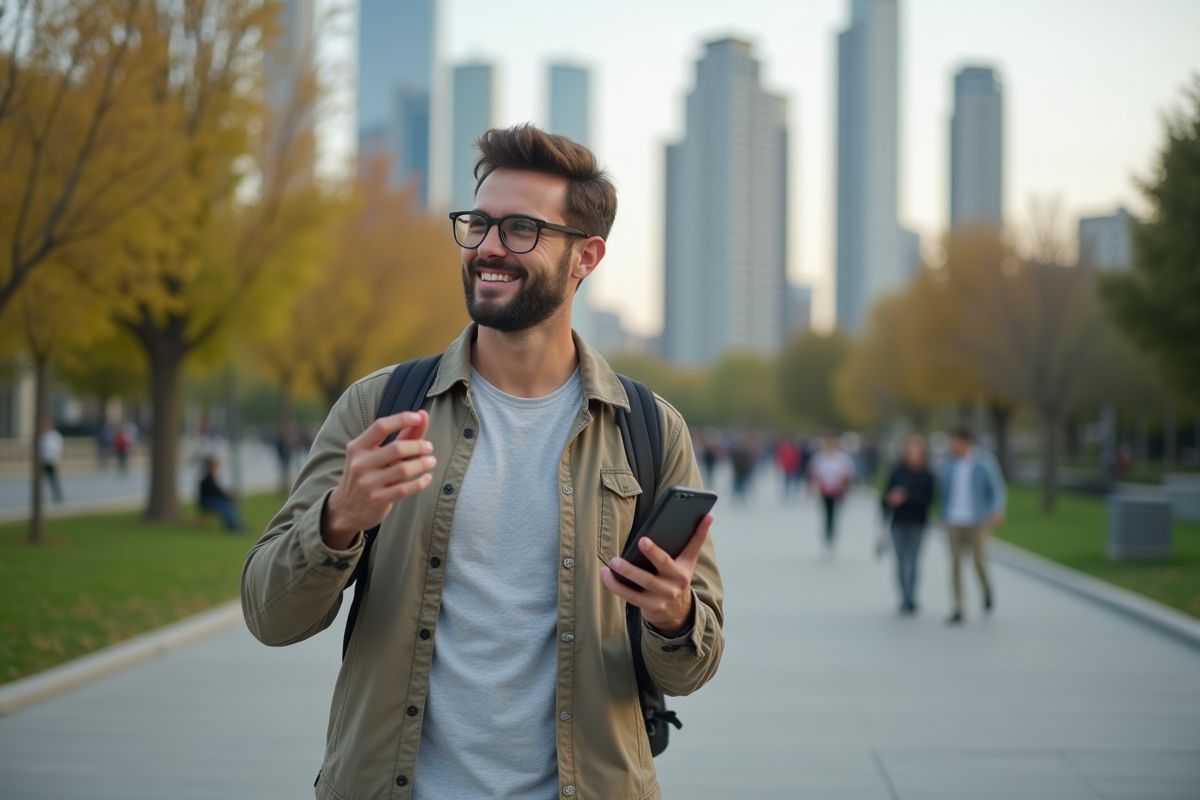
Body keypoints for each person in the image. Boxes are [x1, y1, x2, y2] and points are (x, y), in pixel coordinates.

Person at [241, 125, 724, 800]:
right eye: (478, 224)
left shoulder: (649, 430)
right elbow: (270, 616)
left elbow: (690, 670)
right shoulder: (380, 407)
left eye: (522, 229)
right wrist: (337, 521)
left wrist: (672, 617)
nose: (489, 247)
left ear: (586, 257)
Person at [941, 424, 1007, 624]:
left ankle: (987, 589)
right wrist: (943, 516)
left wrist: (997, 509)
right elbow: (943, 492)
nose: (952, 445)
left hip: (977, 520)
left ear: (965, 442)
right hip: (953, 520)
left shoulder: (984, 463)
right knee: (955, 565)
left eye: (955, 441)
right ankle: (958, 607)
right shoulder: (949, 465)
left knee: (979, 561)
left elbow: (997, 488)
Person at [881, 435, 935, 614]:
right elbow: (884, 497)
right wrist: (889, 500)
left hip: (917, 523)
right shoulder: (897, 472)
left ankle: (911, 597)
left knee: (912, 561)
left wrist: (906, 496)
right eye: (909, 452)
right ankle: (903, 597)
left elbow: (930, 500)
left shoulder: (927, 475)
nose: (912, 456)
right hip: (898, 522)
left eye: (916, 453)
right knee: (900, 561)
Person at [807, 436, 856, 549]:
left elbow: (848, 474)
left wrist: (846, 487)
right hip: (825, 490)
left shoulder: (842, 458)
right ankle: (827, 532)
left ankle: (832, 532)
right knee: (826, 512)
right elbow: (813, 472)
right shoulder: (820, 458)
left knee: (834, 512)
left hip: (838, 490)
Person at [199, 457, 243, 532]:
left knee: (229, 505)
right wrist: (228, 497)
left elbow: (218, 492)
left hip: (214, 501)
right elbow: (216, 493)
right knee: (225, 506)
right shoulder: (206, 481)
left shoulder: (212, 480)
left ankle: (235, 524)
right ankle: (232, 526)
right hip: (207, 502)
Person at [39, 422, 64, 504]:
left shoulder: (55, 436)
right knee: (42, 480)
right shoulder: (43, 436)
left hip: (52, 461)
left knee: (53, 480)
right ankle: (40, 497)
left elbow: (57, 450)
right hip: (44, 461)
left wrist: (56, 461)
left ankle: (57, 496)